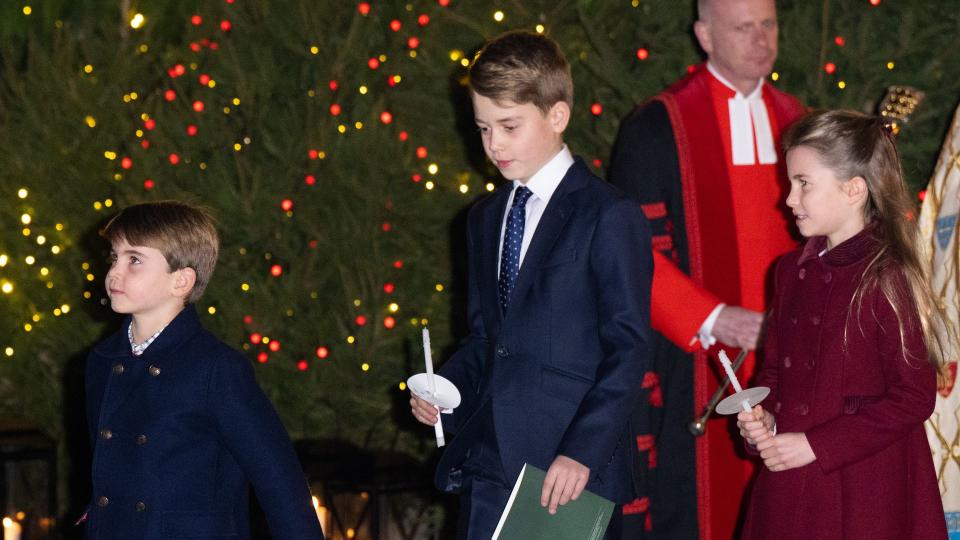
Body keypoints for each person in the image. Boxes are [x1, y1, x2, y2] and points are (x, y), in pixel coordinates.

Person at [409, 30, 652, 539]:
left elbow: (627, 349)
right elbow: (487, 339)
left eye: (509, 126)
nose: (493, 144)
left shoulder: (608, 214)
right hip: (489, 461)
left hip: (567, 471)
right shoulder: (483, 218)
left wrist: (580, 452)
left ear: (557, 115)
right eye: (482, 128)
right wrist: (447, 389)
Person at [606, 0, 803, 536]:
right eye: (743, 27)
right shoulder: (658, 126)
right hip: (696, 362)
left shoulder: (801, 124)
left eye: (768, 25)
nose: (760, 39)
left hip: (794, 361)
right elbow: (628, 250)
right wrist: (713, 316)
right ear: (705, 35)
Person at [737, 110, 948, 539]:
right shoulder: (789, 271)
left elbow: (913, 396)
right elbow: (776, 373)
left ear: (854, 190)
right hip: (791, 486)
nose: (789, 199)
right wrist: (766, 421)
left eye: (803, 184)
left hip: (864, 492)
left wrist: (816, 445)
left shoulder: (887, 277)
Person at [84, 201, 323, 539]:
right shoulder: (103, 361)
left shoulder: (215, 368)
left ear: (181, 281)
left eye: (134, 260)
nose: (114, 272)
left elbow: (278, 480)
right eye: (114, 257)